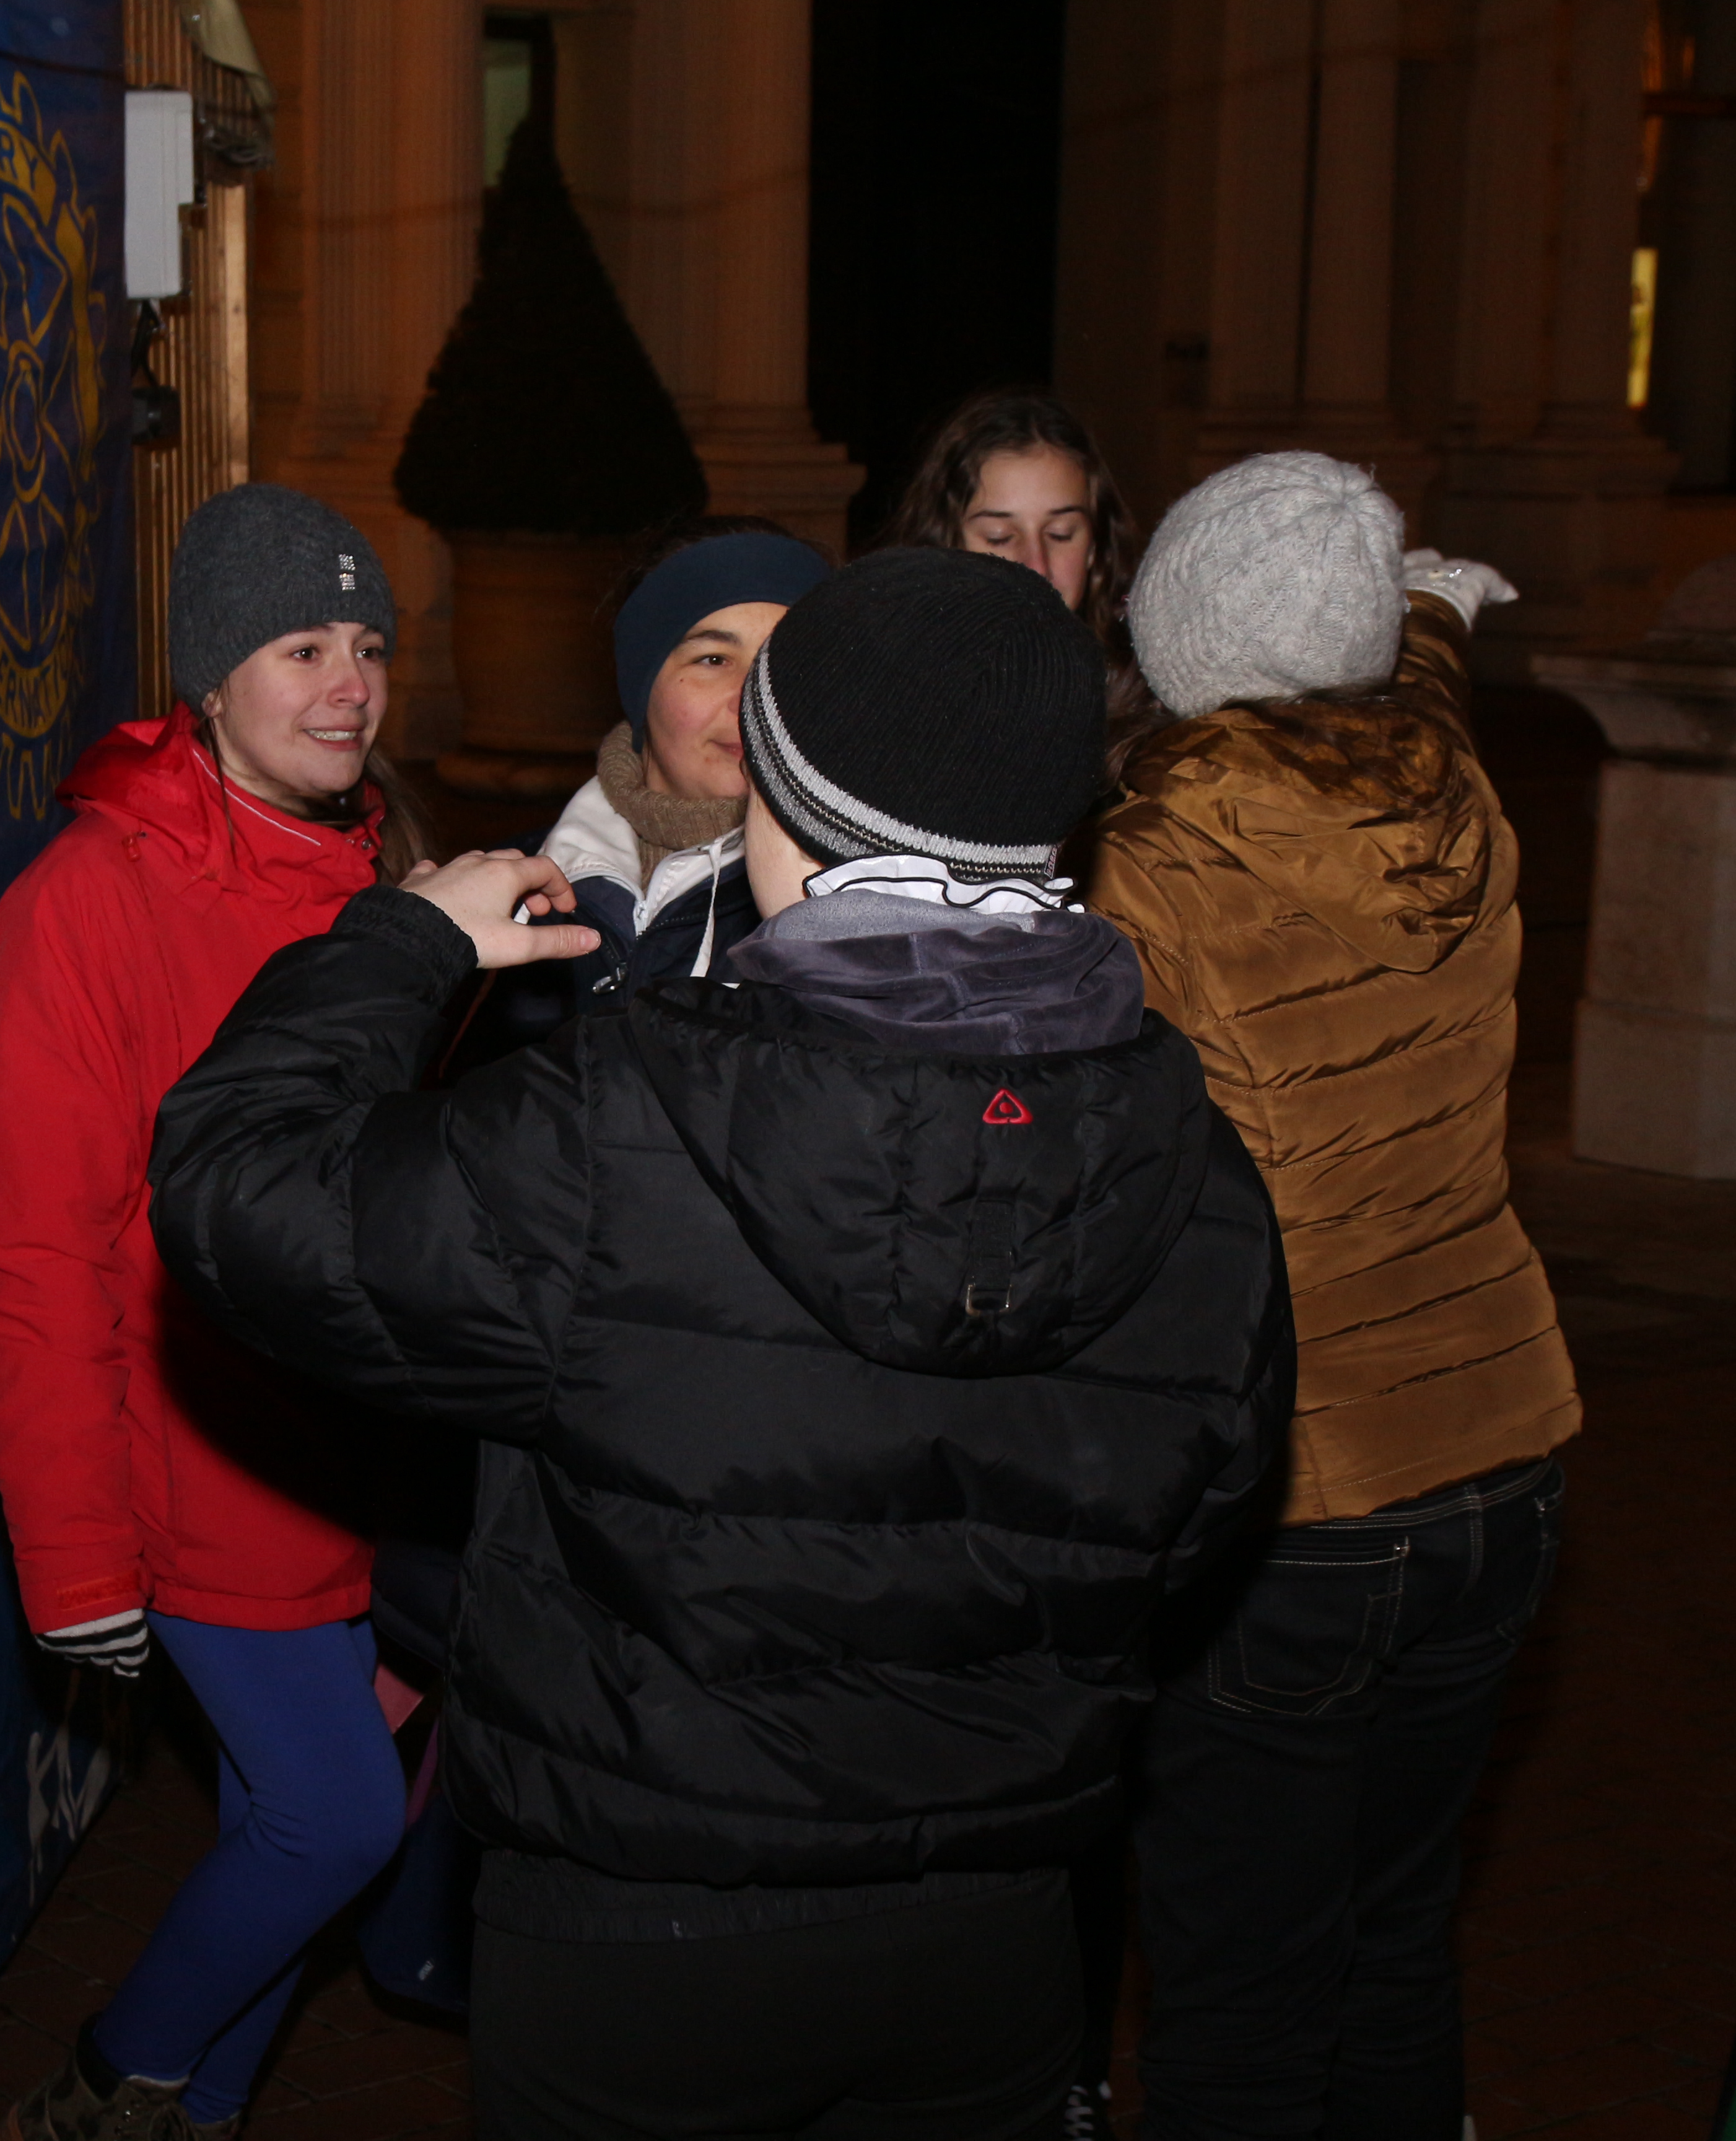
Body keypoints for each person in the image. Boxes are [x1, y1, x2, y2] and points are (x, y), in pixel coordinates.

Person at [150, 548, 1294, 2140]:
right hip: (997, 1921)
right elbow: (1210, 1504)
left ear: (787, 801)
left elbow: (235, 1191)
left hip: (646, 1922)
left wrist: (397, 945)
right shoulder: (1195, 1152)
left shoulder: (626, 1115)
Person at [1084, 452, 1581, 2141]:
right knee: (1395, 1940)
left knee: (1237, 2000)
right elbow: (1418, 690)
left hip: (1297, 1498)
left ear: (1182, 644)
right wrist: (1430, 603)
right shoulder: (1458, 799)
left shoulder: (1155, 861)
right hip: (1502, 1461)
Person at [0, 483, 429, 2137]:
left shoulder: (378, 875)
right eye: (301, 647)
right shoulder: (88, 900)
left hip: (360, 1457)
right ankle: (106, 2079)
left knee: (282, 1831)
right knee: (334, 1823)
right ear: (208, 679)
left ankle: (193, 2113)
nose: (348, 684)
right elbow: (37, 1255)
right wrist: (76, 1550)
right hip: (204, 1463)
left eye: (367, 644)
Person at [451, 520, 829, 1070]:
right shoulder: (504, 888)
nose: (752, 696)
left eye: (786, 660)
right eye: (713, 660)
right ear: (641, 684)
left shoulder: (853, 911)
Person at [882, 387, 1154, 750]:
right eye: (1000, 537)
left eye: (1060, 534)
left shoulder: (1142, 701)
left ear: (1095, 546)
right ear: (944, 545)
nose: (1036, 566)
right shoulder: (894, 694)